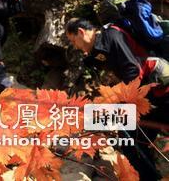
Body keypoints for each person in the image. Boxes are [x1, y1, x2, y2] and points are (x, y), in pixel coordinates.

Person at [66, 17, 169, 181]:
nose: (75, 46)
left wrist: (123, 103)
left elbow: (132, 70)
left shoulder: (112, 36)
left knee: (130, 137)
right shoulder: (101, 45)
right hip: (147, 95)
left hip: (159, 92)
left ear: (81, 32)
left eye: (73, 41)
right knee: (132, 140)